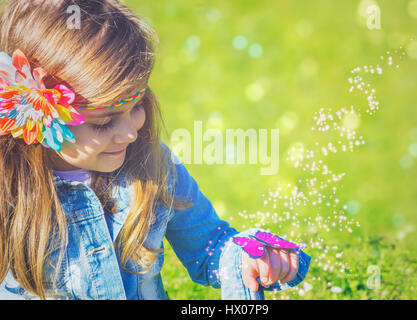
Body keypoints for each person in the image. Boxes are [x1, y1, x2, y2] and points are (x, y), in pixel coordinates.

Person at [0, 0, 310, 300]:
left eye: (136, 107)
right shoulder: (9, 190)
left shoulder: (152, 166)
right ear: (32, 114)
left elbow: (209, 248)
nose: (131, 132)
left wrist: (245, 255)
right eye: (104, 122)